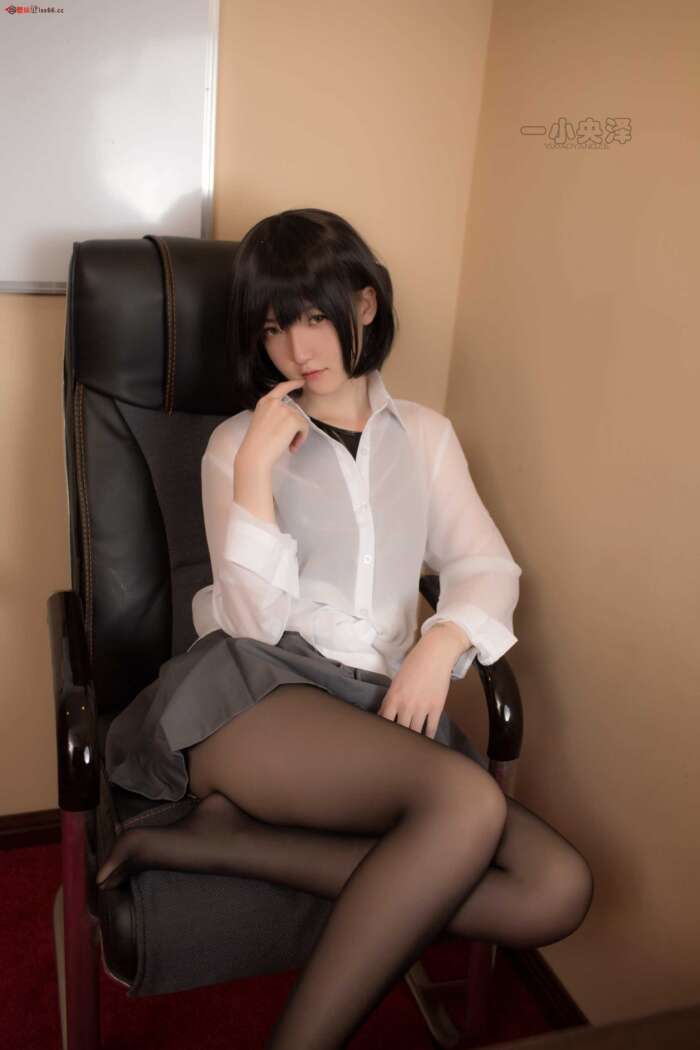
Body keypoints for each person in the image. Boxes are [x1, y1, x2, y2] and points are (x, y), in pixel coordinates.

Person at [97, 208, 594, 1050]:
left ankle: (223, 843)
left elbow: (486, 565)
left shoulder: (427, 437)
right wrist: (255, 474)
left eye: (313, 316)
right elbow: (250, 624)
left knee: (557, 888)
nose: (297, 347)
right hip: (256, 698)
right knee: (465, 801)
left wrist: (440, 644)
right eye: (273, 327)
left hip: (376, 708)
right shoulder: (235, 445)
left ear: (363, 305)